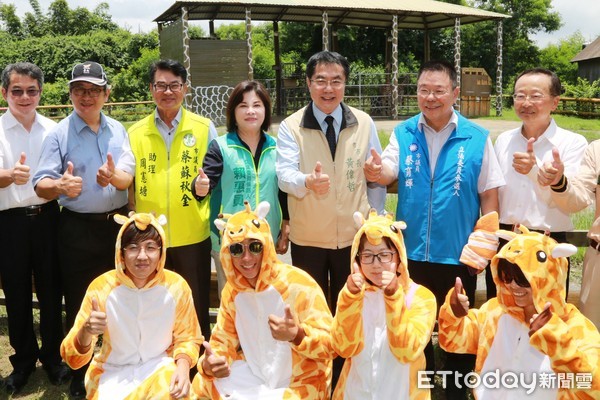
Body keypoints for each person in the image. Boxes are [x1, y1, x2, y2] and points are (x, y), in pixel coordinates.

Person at [363, 59, 505, 399]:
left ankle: (456, 393)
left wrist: (484, 244)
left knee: (458, 328)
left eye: (439, 90)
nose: (430, 97)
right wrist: (375, 170)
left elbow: (489, 194)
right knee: (416, 331)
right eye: (424, 90)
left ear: (454, 93)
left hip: (458, 254)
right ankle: (419, 391)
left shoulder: (477, 137)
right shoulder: (404, 132)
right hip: (411, 255)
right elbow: (387, 172)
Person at [33, 61, 135, 397]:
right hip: (76, 229)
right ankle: (80, 371)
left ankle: (119, 362)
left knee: (121, 297)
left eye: (93, 89)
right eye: (79, 89)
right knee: (79, 303)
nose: (86, 96)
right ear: (71, 94)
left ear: (107, 93)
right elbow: (41, 183)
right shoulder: (59, 133)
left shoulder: (118, 129)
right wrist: (60, 185)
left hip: (118, 228)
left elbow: (126, 175)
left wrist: (113, 178)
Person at [276, 50, 385, 313]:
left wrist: (377, 217)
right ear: (308, 83)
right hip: (308, 240)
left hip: (352, 238)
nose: (328, 88)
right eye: (320, 80)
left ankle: (344, 356)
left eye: (336, 81)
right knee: (310, 312)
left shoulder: (364, 122)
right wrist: (307, 182)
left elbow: (376, 173)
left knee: (349, 310)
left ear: (345, 83)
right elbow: (284, 176)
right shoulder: (291, 126)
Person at [192, 201, 335, 399]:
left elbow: (332, 346)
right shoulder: (232, 291)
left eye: (255, 247)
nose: (247, 258)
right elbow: (222, 341)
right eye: (236, 250)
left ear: (267, 246)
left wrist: (298, 335)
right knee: (202, 382)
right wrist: (211, 363)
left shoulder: (300, 285)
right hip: (256, 372)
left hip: (301, 378)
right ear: (227, 253)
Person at [438, 225, 600, 398]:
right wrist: (454, 314)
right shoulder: (495, 312)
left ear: (548, 278)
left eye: (523, 279)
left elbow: (592, 390)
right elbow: (452, 341)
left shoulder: (577, 328)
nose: (513, 285)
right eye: (506, 276)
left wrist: (557, 342)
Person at [60, 212, 204, 399]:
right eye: (133, 248)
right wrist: (86, 331)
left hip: (159, 367)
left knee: (176, 394)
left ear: (161, 251)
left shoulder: (176, 286)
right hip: (111, 371)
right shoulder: (102, 286)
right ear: (121, 252)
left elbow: (189, 338)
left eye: (151, 247)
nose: (142, 256)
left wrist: (183, 368)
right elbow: (72, 359)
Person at [127, 59, 218, 338]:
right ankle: (161, 360)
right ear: (151, 89)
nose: (168, 92)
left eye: (174, 85)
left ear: (185, 88)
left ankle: (196, 363)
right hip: (150, 238)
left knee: (195, 301)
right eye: (161, 85)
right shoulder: (134, 132)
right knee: (155, 303)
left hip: (193, 233)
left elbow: (213, 173)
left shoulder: (204, 128)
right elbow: (127, 182)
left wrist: (206, 184)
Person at [0, 62, 69, 394]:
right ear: (4, 93)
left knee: (52, 291)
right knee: (15, 294)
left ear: (40, 93)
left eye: (31, 90)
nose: (24, 97)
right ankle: (23, 361)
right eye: (17, 90)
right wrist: (8, 176)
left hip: (48, 218)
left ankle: (54, 358)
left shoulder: (55, 130)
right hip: (9, 222)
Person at [492, 68, 587, 299]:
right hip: (507, 239)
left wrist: (541, 175)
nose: (526, 102)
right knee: (502, 315)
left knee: (548, 318)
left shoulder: (572, 143)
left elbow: (572, 203)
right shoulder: (504, 140)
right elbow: (492, 191)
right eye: (519, 95)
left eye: (536, 96)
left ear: (555, 102)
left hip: (550, 242)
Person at [192, 80, 289, 298]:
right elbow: (206, 183)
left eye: (257, 105)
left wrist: (286, 225)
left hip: (265, 238)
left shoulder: (277, 147)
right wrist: (200, 187)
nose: (250, 111)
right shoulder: (221, 146)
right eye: (243, 106)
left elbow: (283, 190)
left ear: (266, 110)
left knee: (266, 298)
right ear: (233, 111)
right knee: (232, 302)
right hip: (230, 240)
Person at [331, 210, 436, 399]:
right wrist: (350, 298)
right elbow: (343, 347)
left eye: (384, 254)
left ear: (399, 257)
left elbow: (406, 351)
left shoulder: (421, 297)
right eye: (367, 255)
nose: (376, 264)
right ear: (357, 259)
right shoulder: (352, 294)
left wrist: (394, 297)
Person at [542, 139, 600, 327]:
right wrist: (559, 182)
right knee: (593, 342)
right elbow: (578, 198)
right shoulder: (597, 150)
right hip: (598, 260)